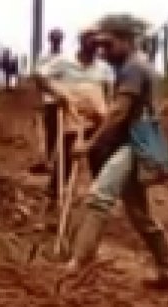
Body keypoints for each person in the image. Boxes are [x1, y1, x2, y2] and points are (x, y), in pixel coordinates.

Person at [67, 15, 168, 291]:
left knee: (99, 197)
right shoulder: (137, 66)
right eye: (100, 47)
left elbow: (119, 112)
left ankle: (78, 265)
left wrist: (91, 144)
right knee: (139, 214)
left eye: (109, 45)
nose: (103, 53)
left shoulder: (132, 68)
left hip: (133, 143)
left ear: (126, 41)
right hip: (138, 141)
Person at [33, 27, 114, 203]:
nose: (94, 45)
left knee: (99, 159)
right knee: (66, 159)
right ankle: (54, 198)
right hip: (72, 118)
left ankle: (100, 201)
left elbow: (108, 93)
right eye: (90, 40)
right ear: (81, 41)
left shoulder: (104, 68)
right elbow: (39, 76)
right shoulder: (63, 61)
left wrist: (105, 112)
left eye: (96, 42)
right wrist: (58, 93)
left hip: (97, 121)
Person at [33, 29, 67, 173]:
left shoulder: (67, 58)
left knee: (65, 133)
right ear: (50, 40)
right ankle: (50, 161)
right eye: (54, 39)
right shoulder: (43, 58)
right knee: (51, 132)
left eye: (58, 39)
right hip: (50, 100)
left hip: (65, 100)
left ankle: (60, 162)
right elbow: (39, 79)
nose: (56, 41)